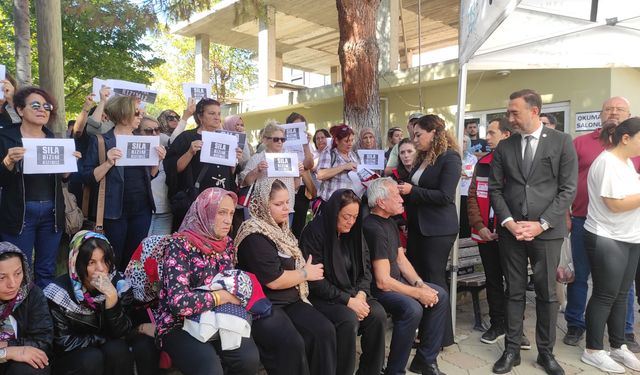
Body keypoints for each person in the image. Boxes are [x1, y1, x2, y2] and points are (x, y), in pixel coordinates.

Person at [489, 89, 577, 375]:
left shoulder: (562, 142)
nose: (509, 118)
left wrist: (542, 223)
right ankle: (511, 350)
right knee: (513, 291)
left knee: (547, 294)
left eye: (515, 112)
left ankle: (546, 353)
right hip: (512, 232)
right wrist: (509, 222)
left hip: (547, 232)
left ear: (535, 111)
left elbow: (567, 189)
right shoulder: (505, 146)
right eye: (509, 112)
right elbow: (495, 189)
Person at [236, 178, 336, 375]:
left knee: (324, 330)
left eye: (287, 202)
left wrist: (302, 274)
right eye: (278, 204)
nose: (286, 209)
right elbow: (274, 281)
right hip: (264, 306)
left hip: (290, 300)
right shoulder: (254, 235)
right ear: (263, 204)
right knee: (292, 343)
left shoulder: (280, 230)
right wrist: (305, 273)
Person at [155, 188, 261, 375]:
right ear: (206, 212)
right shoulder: (179, 245)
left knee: (248, 359)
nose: (228, 220)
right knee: (209, 368)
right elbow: (178, 303)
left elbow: (229, 283)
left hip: (219, 316)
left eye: (230, 213)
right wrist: (221, 297)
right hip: (180, 324)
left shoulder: (227, 244)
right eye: (221, 213)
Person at [564, 96, 640, 351]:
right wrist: (565, 212)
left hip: (624, 229)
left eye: (620, 109)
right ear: (600, 114)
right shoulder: (582, 143)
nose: (613, 113)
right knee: (580, 277)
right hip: (586, 219)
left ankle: (624, 331)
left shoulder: (633, 151)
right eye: (609, 108)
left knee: (622, 284)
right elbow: (566, 180)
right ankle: (575, 325)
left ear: (629, 115)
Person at [365, 178, 448, 375]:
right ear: (381, 202)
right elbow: (382, 281)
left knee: (440, 295)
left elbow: (401, 260)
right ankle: (394, 370)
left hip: (395, 282)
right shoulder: (372, 227)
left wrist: (420, 285)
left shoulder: (390, 222)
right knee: (411, 309)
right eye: (396, 196)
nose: (402, 200)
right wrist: (418, 295)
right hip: (377, 289)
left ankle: (425, 361)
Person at [0, 86, 81, 288]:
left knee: (46, 269)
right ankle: (18, 315)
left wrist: (68, 168)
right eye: (35, 105)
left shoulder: (54, 140)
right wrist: (8, 161)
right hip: (19, 213)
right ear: (20, 110)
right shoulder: (5, 138)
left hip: (51, 214)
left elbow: (62, 180)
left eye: (47, 106)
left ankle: (44, 314)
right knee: (19, 269)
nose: (42, 109)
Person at [299, 189, 386, 375]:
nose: (351, 222)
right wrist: (348, 301)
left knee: (377, 315)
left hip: (353, 292)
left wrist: (362, 294)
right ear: (334, 213)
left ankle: (370, 371)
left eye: (355, 217)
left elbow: (366, 268)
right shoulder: (315, 232)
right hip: (323, 296)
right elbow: (315, 281)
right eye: (346, 216)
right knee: (348, 319)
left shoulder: (354, 232)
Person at [579, 117, 640, 373]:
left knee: (622, 295)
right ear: (626, 138)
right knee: (605, 294)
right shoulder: (607, 163)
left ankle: (617, 345)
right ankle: (592, 350)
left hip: (629, 237)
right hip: (607, 237)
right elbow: (614, 205)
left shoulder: (626, 163)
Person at [396, 114, 461, 348]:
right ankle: (425, 332)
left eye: (418, 135)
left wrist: (411, 191)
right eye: (413, 135)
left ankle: (441, 338)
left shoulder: (450, 158)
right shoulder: (423, 158)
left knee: (434, 282)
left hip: (438, 230)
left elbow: (445, 196)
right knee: (419, 281)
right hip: (418, 228)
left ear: (434, 133)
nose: (415, 140)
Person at [81, 96, 166, 271]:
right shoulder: (101, 141)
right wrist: (108, 162)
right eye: (137, 112)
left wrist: (156, 161)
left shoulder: (143, 140)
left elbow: (150, 176)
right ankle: (111, 294)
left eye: (141, 112)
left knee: (133, 260)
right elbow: (88, 177)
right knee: (112, 258)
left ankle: (128, 294)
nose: (141, 115)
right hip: (113, 212)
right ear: (123, 113)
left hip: (142, 209)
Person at [44, 231, 136, 375]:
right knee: (92, 357)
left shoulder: (120, 285)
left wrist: (112, 298)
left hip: (102, 350)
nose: (101, 268)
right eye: (91, 262)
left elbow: (123, 333)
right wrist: (101, 340)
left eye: (105, 259)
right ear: (77, 264)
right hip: (71, 361)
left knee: (118, 349)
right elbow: (63, 343)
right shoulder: (57, 293)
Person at [467, 118, 517, 344]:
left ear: (506, 134)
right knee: (493, 281)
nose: (486, 137)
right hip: (486, 234)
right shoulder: (483, 163)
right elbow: (472, 197)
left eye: (492, 133)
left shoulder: (518, 163)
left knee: (514, 283)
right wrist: (480, 226)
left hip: (511, 234)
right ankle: (497, 324)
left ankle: (516, 328)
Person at [164, 98, 242, 230]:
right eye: (211, 114)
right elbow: (174, 169)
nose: (217, 118)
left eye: (218, 114)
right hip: (196, 201)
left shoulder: (227, 139)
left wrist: (234, 160)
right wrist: (190, 152)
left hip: (220, 201)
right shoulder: (187, 137)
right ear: (200, 116)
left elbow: (230, 174)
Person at [0, 242, 53, 375]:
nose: (12, 284)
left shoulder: (32, 294)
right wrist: (8, 352)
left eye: (18, 273)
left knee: (32, 367)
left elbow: (43, 341)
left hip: (16, 366)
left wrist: (8, 345)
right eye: (1, 278)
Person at [240, 120, 302, 223]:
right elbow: (245, 182)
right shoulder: (258, 158)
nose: (280, 142)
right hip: (262, 211)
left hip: (286, 210)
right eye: (276, 139)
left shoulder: (290, 158)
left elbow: (295, 187)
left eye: (283, 139)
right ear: (265, 140)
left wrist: (299, 175)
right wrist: (257, 170)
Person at [139, 116, 173, 236]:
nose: (154, 134)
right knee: (141, 251)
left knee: (158, 252)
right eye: (148, 131)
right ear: (138, 133)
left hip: (165, 212)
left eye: (157, 130)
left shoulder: (167, 152)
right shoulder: (134, 154)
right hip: (143, 211)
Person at [282, 112, 315, 237]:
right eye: (295, 126)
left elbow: (309, 164)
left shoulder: (306, 144)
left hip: (301, 189)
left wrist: (306, 145)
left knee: (298, 225)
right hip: (285, 186)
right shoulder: (282, 142)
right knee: (284, 224)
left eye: (301, 127)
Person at [316, 124, 360, 203]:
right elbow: (320, 175)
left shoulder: (353, 155)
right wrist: (344, 167)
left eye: (352, 140)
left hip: (349, 204)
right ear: (336, 141)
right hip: (331, 203)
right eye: (346, 141)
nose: (350, 144)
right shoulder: (329, 153)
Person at [459, 135, 477, 239]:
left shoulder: (472, 158)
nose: (463, 144)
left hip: (467, 192)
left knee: (466, 217)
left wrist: (463, 172)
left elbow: (472, 173)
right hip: (456, 193)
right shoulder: (454, 156)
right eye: (461, 141)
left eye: (465, 141)